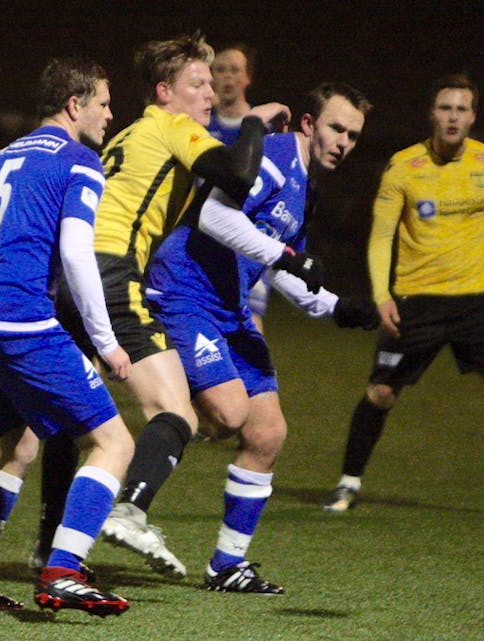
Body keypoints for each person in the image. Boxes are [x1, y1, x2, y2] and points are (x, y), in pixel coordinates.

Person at [29, 32, 290, 580]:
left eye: (211, 85)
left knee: (68, 418)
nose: (210, 96)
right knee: (175, 411)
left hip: (72, 273)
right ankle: (130, 510)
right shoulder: (173, 126)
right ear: (163, 91)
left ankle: (48, 540)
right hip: (111, 271)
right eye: (197, 85)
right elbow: (239, 175)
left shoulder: (126, 133)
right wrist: (254, 122)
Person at [0, 57, 135, 617]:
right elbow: (77, 251)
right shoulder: (80, 160)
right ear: (74, 105)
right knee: (113, 443)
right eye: (104, 103)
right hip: (20, 322)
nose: (111, 114)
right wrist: (105, 340)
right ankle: (62, 569)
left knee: (19, 445)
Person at [144, 82, 377, 593]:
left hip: (228, 307)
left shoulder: (308, 188)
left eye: (354, 136)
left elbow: (284, 264)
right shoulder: (273, 154)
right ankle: (128, 481)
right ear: (309, 124)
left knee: (267, 433)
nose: (344, 142)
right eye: (336, 128)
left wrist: (338, 309)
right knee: (227, 414)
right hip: (186, 289)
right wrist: (287, 258)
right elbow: (214, 215)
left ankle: (227, 566)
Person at [321, 73, 484, 523]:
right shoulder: (402, 166)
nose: (453, 117)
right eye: (445, 108)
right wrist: (383, 295)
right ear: (432, 114)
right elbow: (380, 238)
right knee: (380, 393)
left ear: (473, 116)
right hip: (417, 301)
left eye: (462, 109)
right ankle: (347, 484)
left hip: (475, 301)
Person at [206, 42, 272, 332]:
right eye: (220, 70)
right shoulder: (200, 125)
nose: (227, 78)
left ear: (248, 78)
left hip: (248, 237)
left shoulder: (263, 125)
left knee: (250, 325)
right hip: (205, 237)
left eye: (235, 70)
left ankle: (257, 379)